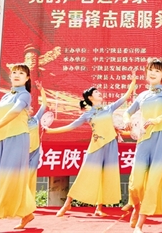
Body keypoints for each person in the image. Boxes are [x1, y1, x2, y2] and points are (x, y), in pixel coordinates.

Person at [44, 69, 137, 217]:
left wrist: (133, 81)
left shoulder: (109, 108)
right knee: (86, 174)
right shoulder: (87, 114)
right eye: (96, 92)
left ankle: (99, 208)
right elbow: (71, 126)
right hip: (96, 146)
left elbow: (125, 97)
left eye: (99, 92)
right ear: (90, 97)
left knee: (107, 175)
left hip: (111, 145)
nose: (99, 93)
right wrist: (50, 131)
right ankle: (68, 203)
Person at [123, 57, 162, 233]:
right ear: (146, 73)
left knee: (153, 181)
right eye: (150, 70)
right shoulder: (142, 95)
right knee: (136, 183)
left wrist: (158, 119)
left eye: (157, 70)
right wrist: (127, 121)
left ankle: (140, 224)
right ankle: (136, 206)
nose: (153, 73)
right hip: (144, 139)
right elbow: (127, 112)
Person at [0, 63, 36, 233]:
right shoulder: (5, 96)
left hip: (18, 138)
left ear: (27, 78)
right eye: (14, 72)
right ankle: (27, 213)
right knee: (10, 179)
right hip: (3, 139)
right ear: (10, 76)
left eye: (21, 73)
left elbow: (15, 111)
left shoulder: (25, 95)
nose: (17, 75)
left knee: (5, 180)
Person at [0, 80, 48, 212]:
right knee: (5, 178)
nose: (29, 109)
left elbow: (44, 104)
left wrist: (41, 90)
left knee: (27, 181)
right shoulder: (18, 121)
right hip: (19, 152)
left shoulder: (36, 119)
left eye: (29, 108)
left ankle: (26, 207)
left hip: (33, 154)